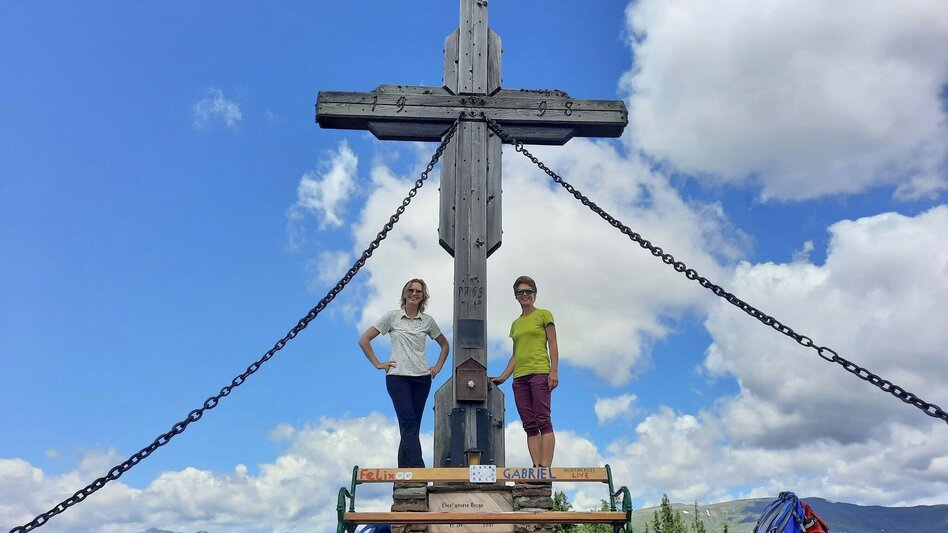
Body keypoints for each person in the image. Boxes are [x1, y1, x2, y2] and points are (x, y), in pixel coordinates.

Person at [359, 278, 450, 468]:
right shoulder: (392, 317)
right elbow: (365, 340)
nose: (414, 293)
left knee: (412, 426)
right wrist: (377, 363)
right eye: (411, 290)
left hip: (422, 378)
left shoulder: (427, 321)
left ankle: (404, 474)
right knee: (407, 419)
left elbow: (444, 345)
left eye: (418, 291)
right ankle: (418, 468)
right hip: (398, 376)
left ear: (423, 296)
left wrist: (438, 366)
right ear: (405, 293)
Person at [490, 275, 559, 468]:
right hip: (520, 377)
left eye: (528, 291)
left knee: (543, 419)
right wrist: (503, 377)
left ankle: (545, 468)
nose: (525, 295)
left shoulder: (544, 314)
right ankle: (536, 467)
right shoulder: (515, 324)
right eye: (521, 292)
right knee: (529, 424)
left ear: (534, 295)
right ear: (516, 296)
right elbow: (516, 354)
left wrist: (554, 370)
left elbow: (552, 343)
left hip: (539, 372)